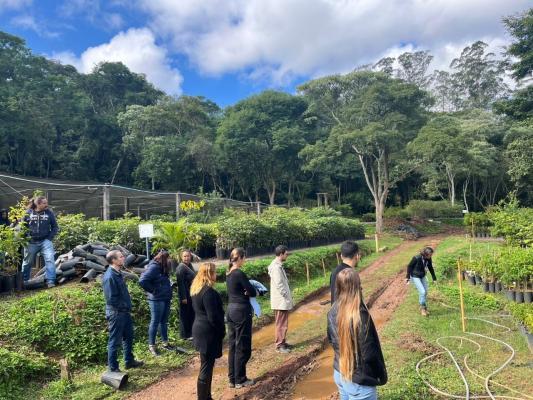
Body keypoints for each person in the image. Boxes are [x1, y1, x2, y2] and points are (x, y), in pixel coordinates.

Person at [328, 268, 387, 400]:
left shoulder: (332, 310)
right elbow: (369, 354)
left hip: (340, 371)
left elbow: (331, 341)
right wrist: (379, 374)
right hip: (358, 381)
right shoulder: (360, 315)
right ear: (357, 287)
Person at [102, 250, 143, 372]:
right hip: (116, 313)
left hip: (124, 312)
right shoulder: (110, 276)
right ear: (113, 260)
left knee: (128, 337)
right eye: (120, 257)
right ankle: (113, 368)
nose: (123, 258)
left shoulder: (118, 273)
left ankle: (129, 361)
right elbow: (111, 299)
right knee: (114, 341)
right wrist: (125, 306)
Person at [191, 262, 226, 400]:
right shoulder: (208, 292)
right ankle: (203, 398)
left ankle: (207, 396)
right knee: (206, 366)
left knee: (207, 365)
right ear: (210, 274)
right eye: (215, 272)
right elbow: (213, 317)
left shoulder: (197, 289)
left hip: (199, 329)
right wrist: (221, 331)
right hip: (207, 332)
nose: (216, 275)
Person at [226, 247, 257, 389]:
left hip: (231, 310)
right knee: (242, 345)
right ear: (239, 258)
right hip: (241, 311)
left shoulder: (229, 273)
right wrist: (248, 292)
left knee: (233, 345)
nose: (245, 260)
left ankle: (232, 378)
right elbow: (252, 291)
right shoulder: (239, 273)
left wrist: (246, 291)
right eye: (244, 258)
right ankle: (240, 379)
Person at [139, 250, 174, 356]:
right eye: (169, 258)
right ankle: (151, 346)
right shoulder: (154, 267)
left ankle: (165, 343)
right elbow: (142, 280)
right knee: (155, 322)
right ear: (164, 258)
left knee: (164, 322)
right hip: (157, 299)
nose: (170, 261)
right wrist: (153, 290)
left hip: (165, 297)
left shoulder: (162, 267)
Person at [21, 196, 59, 288]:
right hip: (31, 242)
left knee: (50, 259)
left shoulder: (49, 213)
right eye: (44, 203)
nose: (46, 205)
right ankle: (24, 281)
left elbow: (55, 227)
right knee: (27, 262)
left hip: (45, 241)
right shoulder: (28, 213)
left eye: (46, 202)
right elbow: (22, 227)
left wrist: (49, 238)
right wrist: (25, 238)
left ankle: (50, 281)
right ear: (38, 204)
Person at [268, 245, 293, 353]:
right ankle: (280, 345)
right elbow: (279, 284)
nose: (287, 256)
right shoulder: (276, 267)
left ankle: (282, 342)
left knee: (282, 323)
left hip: (281, 300)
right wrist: (286, 295)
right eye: (286, 254)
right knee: (281, 324)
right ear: (281, 254)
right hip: (280, 301)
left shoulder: (277, 265)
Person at [406, 247, 436, 316]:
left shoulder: (428, 259)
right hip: (415, 276)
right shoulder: (416, 258)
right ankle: (423, 308)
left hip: (422, 275)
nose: (431, 256)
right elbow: (409, 266)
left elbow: (430, 267)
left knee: (425, 292)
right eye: (430, 255)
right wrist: (407, 277)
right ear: (426, 254)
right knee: (422, 292)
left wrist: (434, 278)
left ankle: (421, 305)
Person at [176, 249, 196, 339]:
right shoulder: (181, 267)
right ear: (181, 257)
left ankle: (191, 333)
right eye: (184, 256)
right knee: (185, 315)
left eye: (188, 256)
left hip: (191, 293)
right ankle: (185, 335)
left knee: (191, 313)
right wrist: (183, 297)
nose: (186, 258)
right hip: (185, 294)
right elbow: (180, 284)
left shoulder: (189, 265)